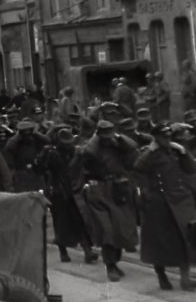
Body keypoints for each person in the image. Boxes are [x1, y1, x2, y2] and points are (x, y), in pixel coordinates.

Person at [134, 124, 196, 291]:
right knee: (158, 242)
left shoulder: (176, 151)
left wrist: (183, 151)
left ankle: (185, 278)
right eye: (163, 137)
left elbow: (191, 168)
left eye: (169, 136)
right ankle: (162, 276)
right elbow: (138, 168)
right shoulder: (149, 154)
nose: (167, 140)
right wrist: (151, 150)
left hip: (180, 200)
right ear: (156, 138)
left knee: (186, 238)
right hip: (159, 203)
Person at [79, 120, 139, 282]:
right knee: (107, 230)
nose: (107, 138)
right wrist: (97, 137)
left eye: (109, 134)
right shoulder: (93, 148)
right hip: (100, 189)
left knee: (120, 229)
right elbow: (89, 152)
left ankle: (115, 262)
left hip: (118, 188)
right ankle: (110, 265)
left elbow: (133, 147)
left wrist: (118, 137)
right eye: (104, 135)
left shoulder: (118, 145)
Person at [33, 128, 98, 264]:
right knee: (60, 222)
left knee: (81, 220)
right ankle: (63, 251)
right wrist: (43, 155)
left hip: (75, 190)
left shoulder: (77, 152)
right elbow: (39, 169)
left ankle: (87, 250)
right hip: (58, 191)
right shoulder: (52, 154)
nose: (68, 145)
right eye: (65, 143)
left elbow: (90, 161)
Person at [4, 119, 48, 192]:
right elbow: (8, 147)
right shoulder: (16, 141)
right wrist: (18, 136)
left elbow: (47, 140)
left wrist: (36, 133)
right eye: (24, 131)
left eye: (29, 131)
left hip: (36, 171)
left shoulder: (35, 138)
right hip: (21, 172)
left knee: (41, 193)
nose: (27, 133)